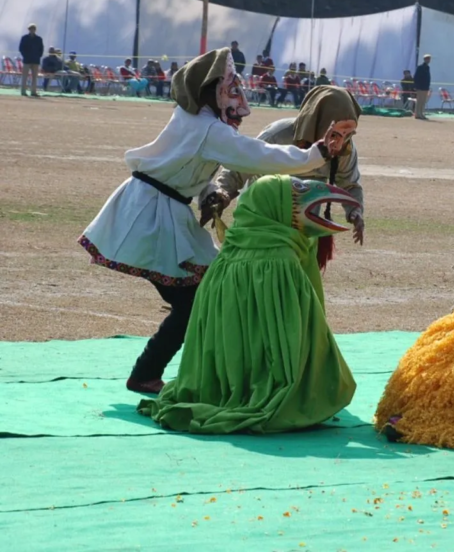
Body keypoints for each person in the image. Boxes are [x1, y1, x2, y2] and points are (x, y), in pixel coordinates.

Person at [77, 47, 345, 395]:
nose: (237, 91)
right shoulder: (209, 129)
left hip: (161, 210)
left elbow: (196, 169)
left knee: (200, 297)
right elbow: (257, 155)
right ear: (214, 88)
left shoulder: (193, 119)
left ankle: (174, 371)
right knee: (194, 301)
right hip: (153, 215)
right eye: (230, 84)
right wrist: (315, 154)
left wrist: (210, 197)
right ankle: (152, 373)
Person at [137, 175, 360, 434]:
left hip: (219, 378)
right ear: (274, 206)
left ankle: (233, 386)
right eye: (294, 195)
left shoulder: (224, 257)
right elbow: (292, 328)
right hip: (267, 379)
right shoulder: (280, 259)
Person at [201, 84, 366, 271]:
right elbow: (239, 168)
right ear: (319, 122)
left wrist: (355, 211)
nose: (341, 141)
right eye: (336, 133)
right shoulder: (278, 135)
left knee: (298, 277)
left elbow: (349, 184)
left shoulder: (345, 150)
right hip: (263, 221)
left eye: (348, 134)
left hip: (304, 228)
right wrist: (222, 193)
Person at [19, 23, 43, 97]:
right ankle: (23, 91)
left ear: (35, 30)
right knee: (25, 76)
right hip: (27, 60)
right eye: (30, 29)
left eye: (33, 29)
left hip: (35, 60)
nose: (32, 30)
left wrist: (38, 56)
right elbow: (21, 48)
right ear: (29, 29)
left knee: (34, 77)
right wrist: (25, 55)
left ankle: (33, 92)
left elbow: (41, 49)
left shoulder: (39, 39)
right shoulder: (24, 38)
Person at [413, 54, 431, 120]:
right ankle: (417, 114)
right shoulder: (420, 67)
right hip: (420, 87)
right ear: (424, 59)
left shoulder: (428, 68)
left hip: (425, 87)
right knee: (419, 101)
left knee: (423, 101)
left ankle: (421, 113)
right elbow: (416, 77)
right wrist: (416, 86)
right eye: (427, 58)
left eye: (429, 59)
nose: (428, 60)